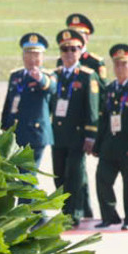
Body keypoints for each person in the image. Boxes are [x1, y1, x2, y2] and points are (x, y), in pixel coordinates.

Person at [93, 43, 128, 230]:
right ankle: (109, 216)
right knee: (102, 179)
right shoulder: (110, 89)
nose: (120, 68)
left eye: (124, 64)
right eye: (116, 64)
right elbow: (104, 120)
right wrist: (98, 145)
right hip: (110, 144)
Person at [48, 29, 99, 223]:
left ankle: (74, 212)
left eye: (73, 49)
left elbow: (92, 108)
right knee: (59, 174)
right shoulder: (55, 75)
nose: (69, 53)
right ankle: (65, 210)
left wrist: (90, 135)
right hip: (58, 134)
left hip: (78, 135)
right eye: (65, 49)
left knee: (75, 174)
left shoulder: (87, 76)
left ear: (80, 51)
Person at [0, 33, 51, 161]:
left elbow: (50, 87)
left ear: (42, 57)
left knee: (28, 177)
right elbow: (9, 103)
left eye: (36, 55)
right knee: (12, 174)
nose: (32, 59)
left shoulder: (47, 75)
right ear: (23, 56)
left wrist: (40, 79)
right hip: (16, 133)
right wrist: (5, 126)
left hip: (34, 134)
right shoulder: (16, 75)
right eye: (28, 54)